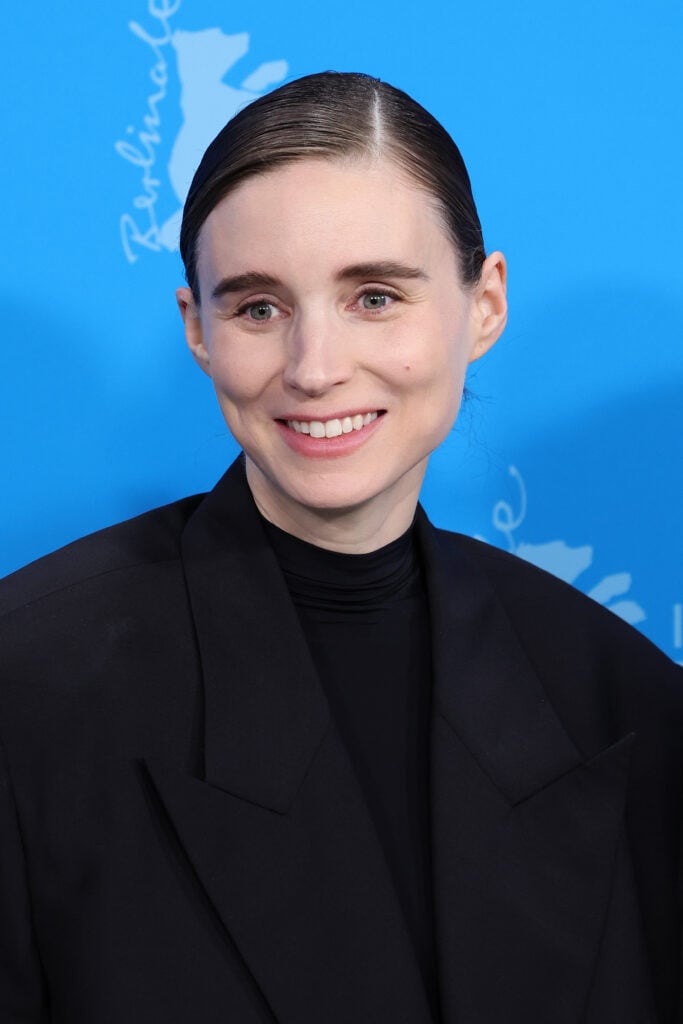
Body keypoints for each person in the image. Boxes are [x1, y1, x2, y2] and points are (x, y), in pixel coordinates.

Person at [0, 71, 681, 1024]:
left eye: (373, 297)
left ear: (482, 303)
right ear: (197, 328)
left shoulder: (625, 699)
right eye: (258, 309)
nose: (314, 369)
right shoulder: (26, 687)